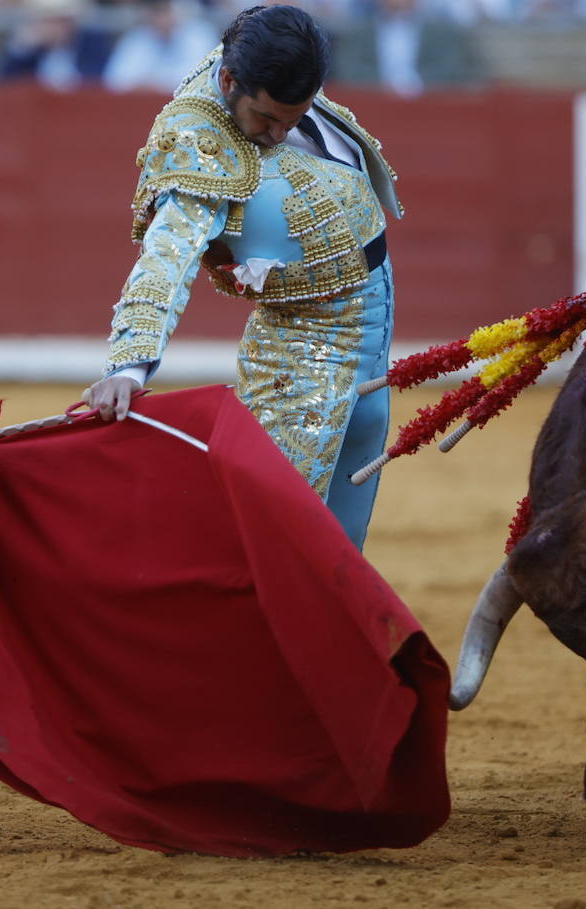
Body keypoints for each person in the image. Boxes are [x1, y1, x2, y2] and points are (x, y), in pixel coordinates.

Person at [81, 4, 403, 550]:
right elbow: (167, 258)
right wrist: (129, 367)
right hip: (303, 353)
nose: (278, 134)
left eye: (294, 118)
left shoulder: (264, 60)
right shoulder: (196, 141)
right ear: (228, 82)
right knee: (271, 538)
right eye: (265, 120)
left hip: (373, 334)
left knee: (345, 535)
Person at [0, 0, 115, 92]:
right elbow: (4, 86)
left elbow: (98, 82)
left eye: (58, 21)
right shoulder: (29, 52)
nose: (53, 28)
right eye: (47, 21)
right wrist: (21, 51)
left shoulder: (90, 44)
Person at [102, 0, 219, 94]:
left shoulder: (199, 34)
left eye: (166, 10)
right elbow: (115, 80)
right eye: (156, 11)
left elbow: (203, 78)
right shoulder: (137, 38)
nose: (161, 17)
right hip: (142, 109)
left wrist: (155, 84)